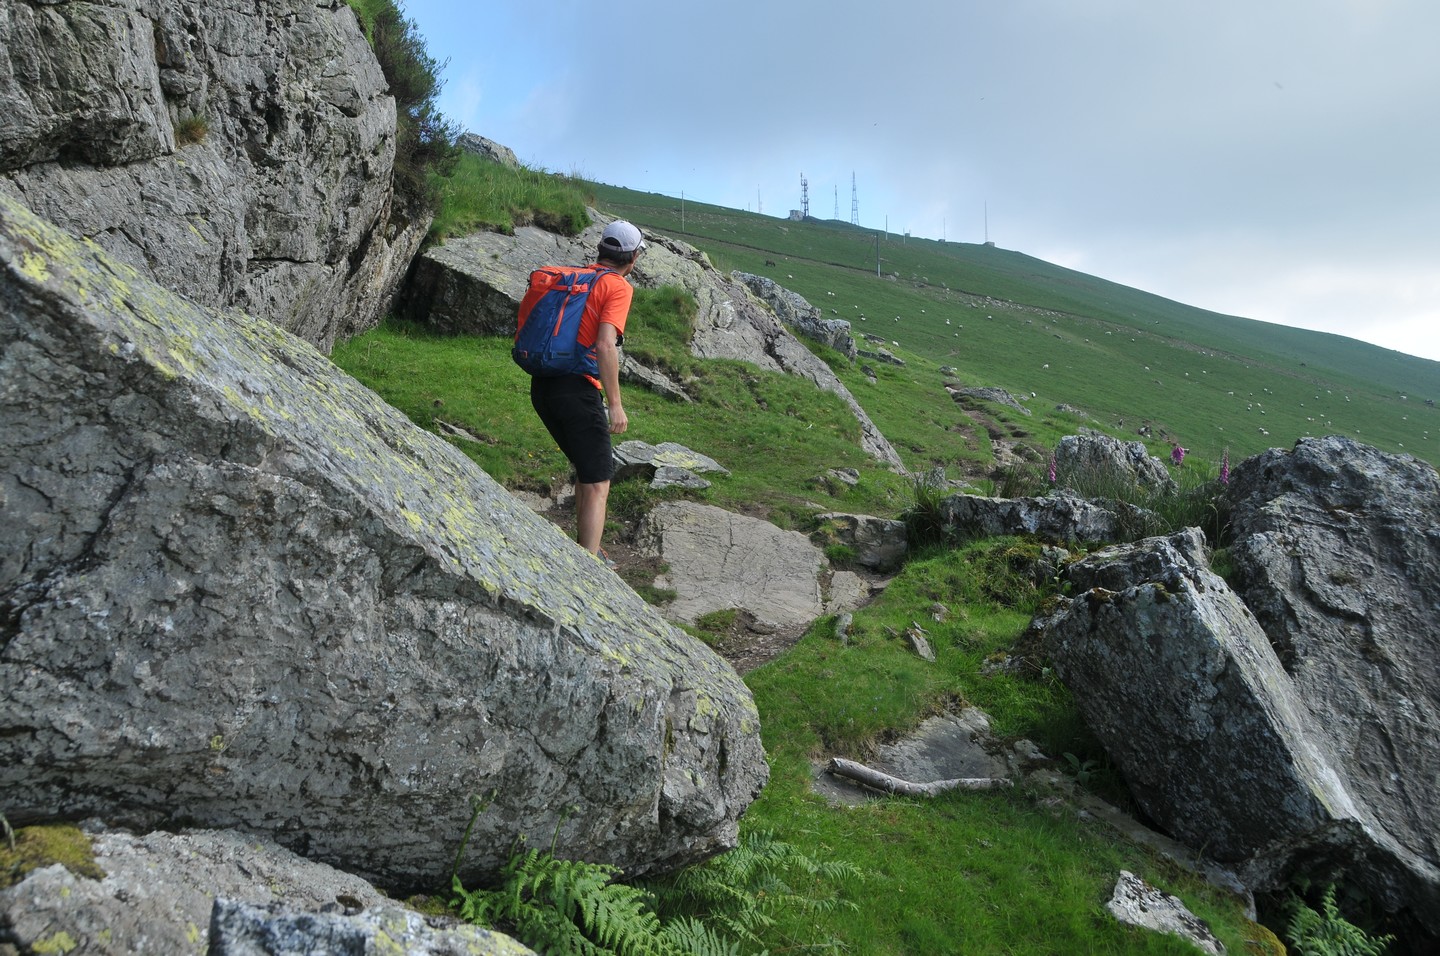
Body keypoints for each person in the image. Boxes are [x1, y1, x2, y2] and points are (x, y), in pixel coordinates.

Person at [522, 219, 644, 565]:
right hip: (577, 391)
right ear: (633, 258)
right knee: (598, 480)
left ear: (600, 250)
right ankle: (587, 568)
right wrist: (616, 404)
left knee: (587, 470)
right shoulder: (617, 287)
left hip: (543, 388)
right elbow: (606, 345)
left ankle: (585, 549)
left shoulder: (574, 280)